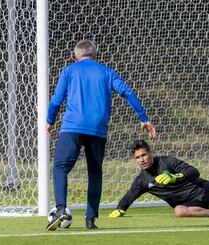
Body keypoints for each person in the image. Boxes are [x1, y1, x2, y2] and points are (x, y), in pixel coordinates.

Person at [45, 40, 156, 231]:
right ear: (95, 55)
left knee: (60, 167)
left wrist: (50, 121)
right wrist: (143, 118)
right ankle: (90, 219)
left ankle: (61, 208)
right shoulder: (107, 72)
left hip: (72, 126)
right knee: (94, 172)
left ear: (76, 56)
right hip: (97, 128)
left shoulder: (69, 71)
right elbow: (127, 92)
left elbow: (56, 100)